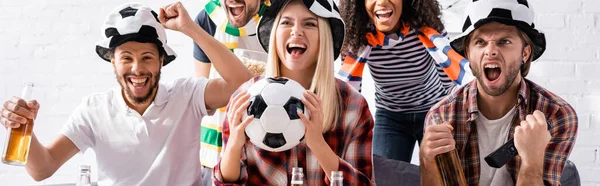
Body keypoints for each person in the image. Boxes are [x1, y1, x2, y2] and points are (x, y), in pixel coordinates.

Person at [0, 2, 252, 185]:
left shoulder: (187, 95)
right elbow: (42, 169)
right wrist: (24, 127)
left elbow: (244, 84)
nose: (137, 68)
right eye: (126, 58)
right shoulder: (94, 110)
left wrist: (191, 29)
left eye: (147, 57)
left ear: (162, 61)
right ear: (112, 62)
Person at [213, 0, 374, 185]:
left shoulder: (353, 107)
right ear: (274, 33)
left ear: (326, 37)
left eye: (309, 24)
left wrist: (318, 144)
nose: (296, 31)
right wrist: (234, 145)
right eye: (286, 22)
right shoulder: (245, 98)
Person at [419, 0, 578, 185]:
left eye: (504, 41)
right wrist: (426, 162)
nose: (491, 51)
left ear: (525, 53)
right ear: (468, 53)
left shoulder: (556, 115)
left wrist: (532, 160)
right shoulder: (442, 115)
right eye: (480, 42)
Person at [338, 0, 475, 162]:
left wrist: (451, 120)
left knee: (445, 170)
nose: (381, 2)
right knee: (384, 174)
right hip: (390, 116)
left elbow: (450, 79)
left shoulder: (429, 29)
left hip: (432, 110)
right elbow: (346, 89)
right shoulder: (357, 36)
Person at [193, 0, 270, 175]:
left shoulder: (282, 16)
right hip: (216, 151)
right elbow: (203, 91)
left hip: (265, 150)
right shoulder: (208, 19)